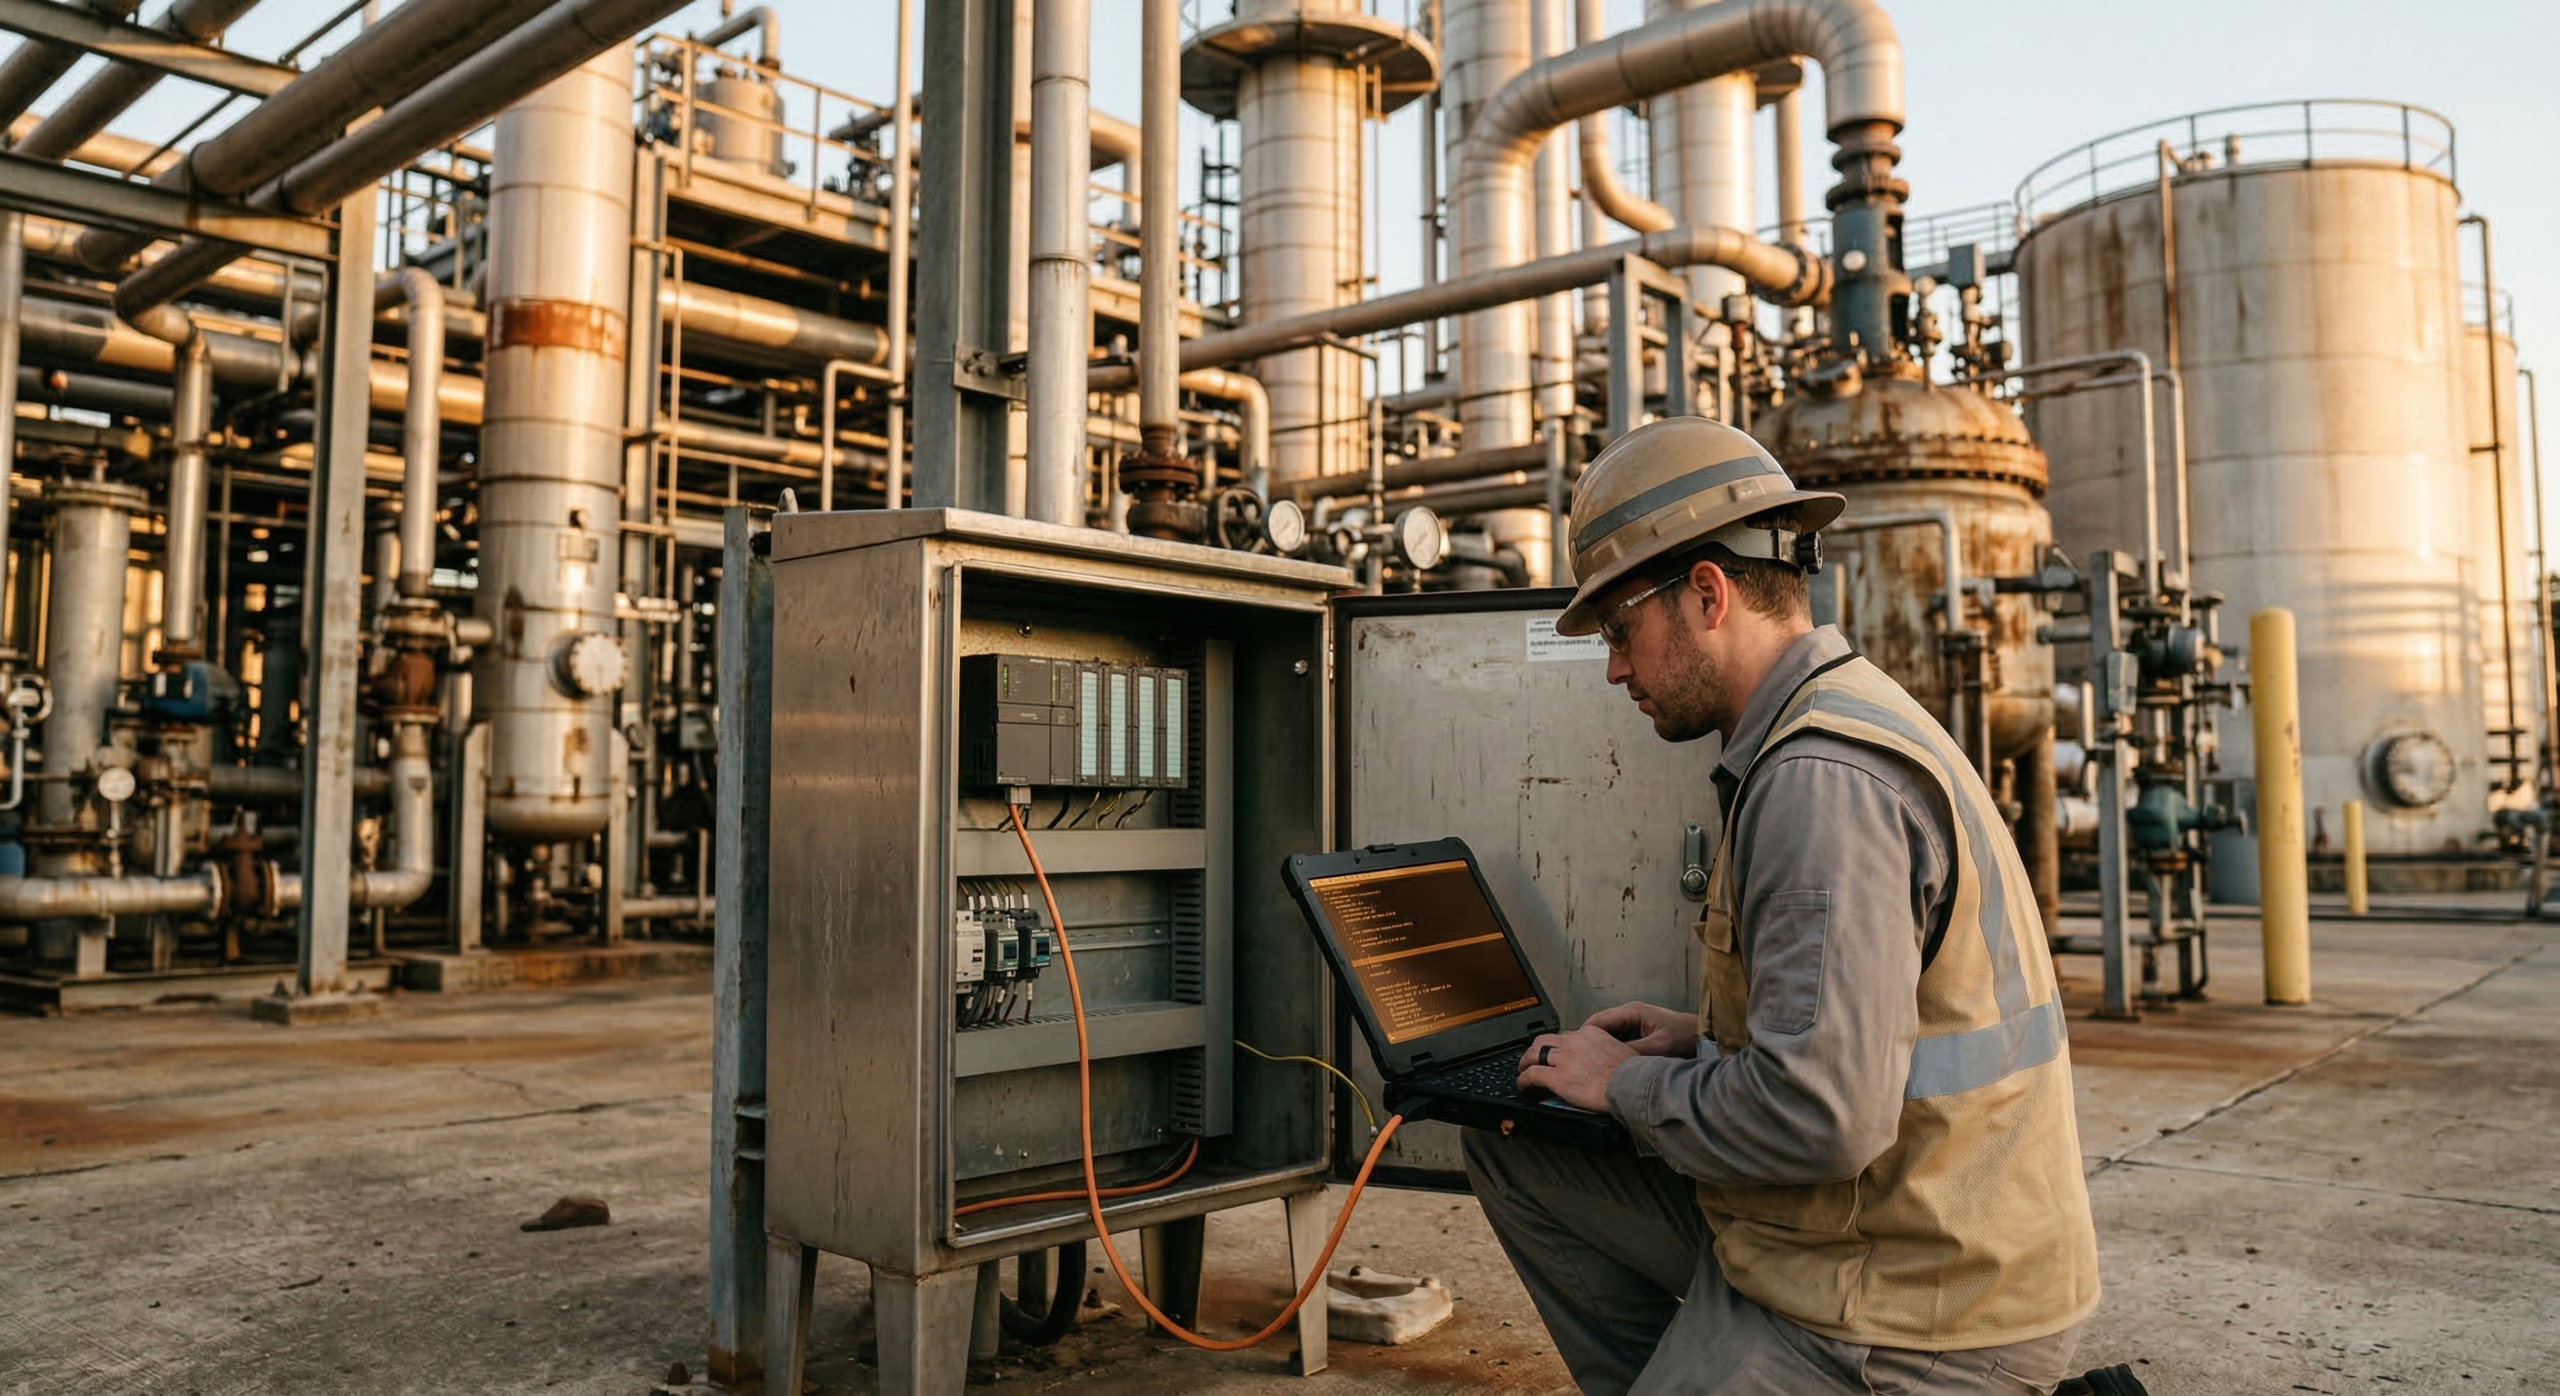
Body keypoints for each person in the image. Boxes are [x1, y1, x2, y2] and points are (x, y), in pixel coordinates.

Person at [1467, 417, 2100, 1395]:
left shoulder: (1818, 784)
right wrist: (1700, 1039)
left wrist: (1626, 1086)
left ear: (1707, 594)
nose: (1615, 669)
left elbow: (1821, 1118)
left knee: (1572, 1108)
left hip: (1909, 1307)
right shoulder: (1833, 719)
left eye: (1620, 630)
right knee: (1514, 1146)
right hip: (1866, 1231)